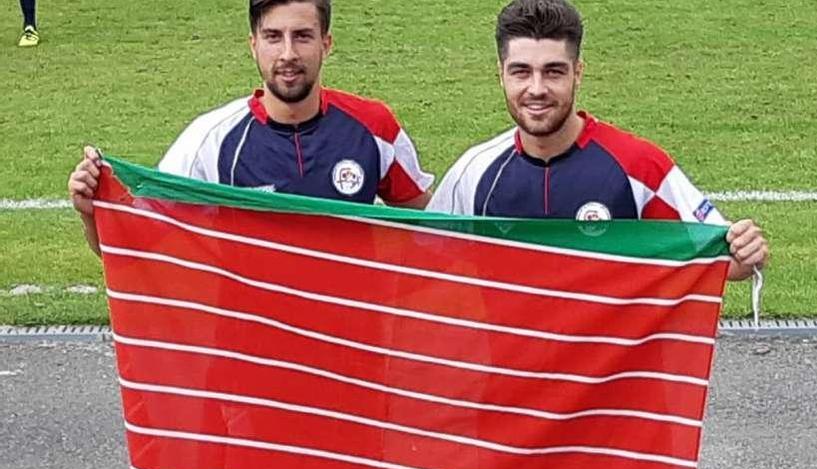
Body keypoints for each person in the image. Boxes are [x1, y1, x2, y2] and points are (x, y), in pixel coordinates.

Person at [428, 0, 767, 281]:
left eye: (553, 71)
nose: (536, 89)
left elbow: (725, 259)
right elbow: (418, 261)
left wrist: (745, 250)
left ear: (578, 73)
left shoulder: (638, 167)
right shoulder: (473, 173)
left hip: (615, 364)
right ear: (500, 75)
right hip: (506, 362)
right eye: (521, 71)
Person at [68, 0, 434, 256]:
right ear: (253, 45)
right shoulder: (210, 141)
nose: (287, 53)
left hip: (351, 354)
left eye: (302, 36)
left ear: (326, 44)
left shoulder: (374, 128)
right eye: (273, 37)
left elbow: (435, 229)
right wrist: (89, 213)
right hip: (247, 357)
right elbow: (139, 249)